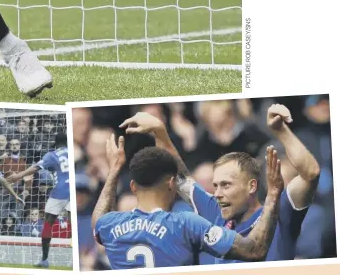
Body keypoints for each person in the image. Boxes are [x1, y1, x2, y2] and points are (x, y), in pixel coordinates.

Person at [120, 106, 320, 263]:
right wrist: (160, 132)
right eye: (215, 186)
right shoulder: (214, 212)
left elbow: (310, 173)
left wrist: (281, 131)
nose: (217, 193)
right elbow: (180, 177)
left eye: (226, 185)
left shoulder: (282, 211)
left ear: (251, 186)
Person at [91, 133, 284, 269]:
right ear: (171, 184)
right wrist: (273, 194)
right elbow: (255, 250)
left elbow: (97, 221)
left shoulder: (110, 224)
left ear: (133, 187)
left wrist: (114, 170)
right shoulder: (185, 224)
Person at [7, 132, 70, 267]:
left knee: (48, 222)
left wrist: (19, 175)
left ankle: (44, 259)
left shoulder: (52, 155)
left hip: (60, 191)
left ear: (55, 142)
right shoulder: (73, 151)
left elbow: (36, 167)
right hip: (73, 188)